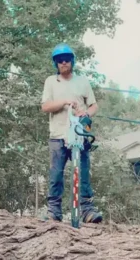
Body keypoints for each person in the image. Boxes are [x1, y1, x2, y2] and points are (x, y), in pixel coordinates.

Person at [40, 43, 103, 223]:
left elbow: (94, 105)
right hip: (58, 136)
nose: (64, 62)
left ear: (72, 61)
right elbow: (45, 106)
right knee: (56, 174)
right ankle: (53, 211)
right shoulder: (51, 81)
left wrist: (86, 114)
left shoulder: (82, 81)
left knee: (83, 173)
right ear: (56, 63)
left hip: (79, 135)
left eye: (67, 59)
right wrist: (65, 102)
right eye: (60, 60)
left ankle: (87, 211)